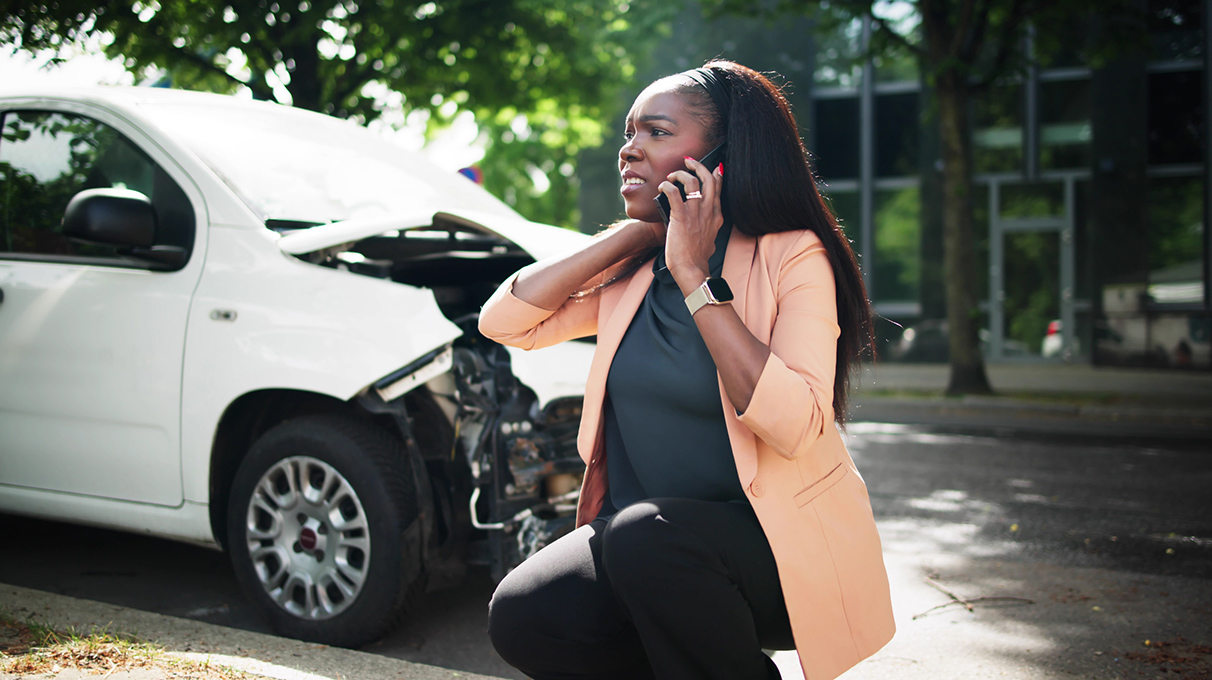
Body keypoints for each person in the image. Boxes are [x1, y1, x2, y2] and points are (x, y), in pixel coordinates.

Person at [478, 60, 894, 680]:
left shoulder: (793, 256)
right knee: (524, 615)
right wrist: (634, 238)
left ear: (721, 156)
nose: (629, 149)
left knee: (650, 537)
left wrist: (697, 278)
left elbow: (796, 425)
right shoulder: (639, 272)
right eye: (629, 133)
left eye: (656, 133)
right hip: (640, 549)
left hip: (769, 555)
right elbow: (505, 322)